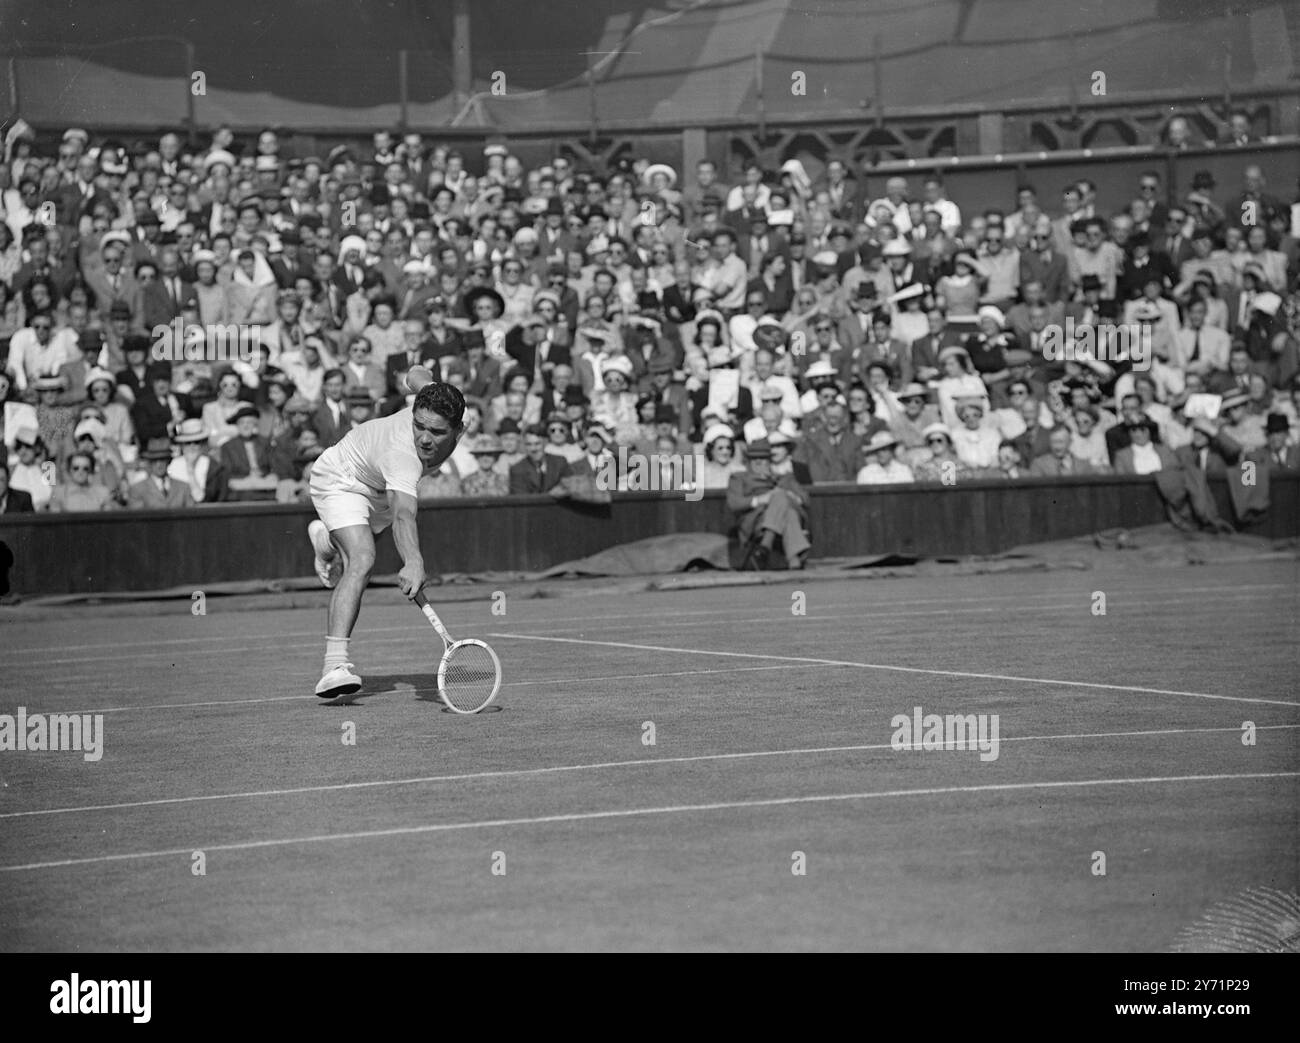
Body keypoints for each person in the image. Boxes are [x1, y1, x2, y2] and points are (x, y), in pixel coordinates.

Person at [305, 367, 468, 698]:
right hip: (342, 478)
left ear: (458, 428)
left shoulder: (436, 396)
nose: (423, 437)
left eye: (435, 432)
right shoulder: (403, 455)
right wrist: (413, 561)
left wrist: (415, 375)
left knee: (352, 552)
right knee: (363, 559)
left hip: (380, 487)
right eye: (417, 425)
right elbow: (405, 515)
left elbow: (417, 372)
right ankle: (334, 667)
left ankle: (326, 541)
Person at [726, 439, 810, 569]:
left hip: (774, 519)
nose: (758, 462)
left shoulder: (784, 478)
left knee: (783, 500)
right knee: (785, 505)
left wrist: (792, 497)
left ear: (769, 461)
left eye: (763, 458)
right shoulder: (739, 478)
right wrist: (760, 500)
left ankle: (765, 546)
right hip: (755, 520)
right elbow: (734, 503)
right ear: (748, 461)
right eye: (754, 459)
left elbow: (805, 499)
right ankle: (795, 556)